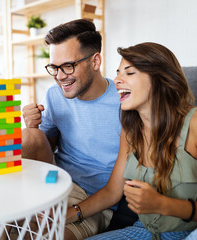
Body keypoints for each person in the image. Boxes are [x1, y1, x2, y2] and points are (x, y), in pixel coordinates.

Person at [22, 19, 124, 239]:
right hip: (55, 183)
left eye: (68, 66)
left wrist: (69, 214)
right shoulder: (54, 95)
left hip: (95, 201)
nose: (59, 76)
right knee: (30, 135)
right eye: (54, 67)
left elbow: (116, 189)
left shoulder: (124, 102)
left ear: (95, 61)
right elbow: (41, 147)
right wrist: (32, 125)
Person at [83, 42, 197, 239]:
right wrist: (66, 215)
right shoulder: (130, 132)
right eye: (118, 73)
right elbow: (112, 192)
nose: (117, 80)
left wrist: (162, 204)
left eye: (129, 72)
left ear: (161, 78)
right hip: (145, 230)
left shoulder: (194, 123)